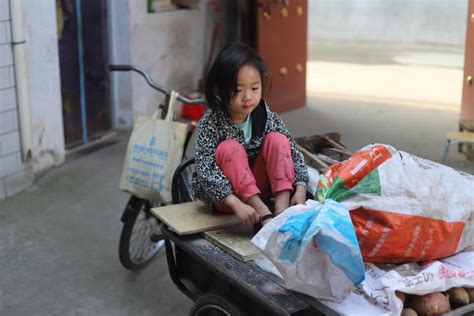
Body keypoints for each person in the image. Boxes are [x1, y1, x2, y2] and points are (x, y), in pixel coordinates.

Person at [192, 42, 308, 226]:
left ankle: (281, 206)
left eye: (254, 88)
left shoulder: (264, 114)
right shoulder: (211, 121)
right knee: (230, 148)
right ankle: (263, 213)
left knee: (278, 139)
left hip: (260, 189)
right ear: (219, 89)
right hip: (228, 198)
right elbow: (205, 170)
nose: (248, 97)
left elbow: (293, 152)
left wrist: (301, 186)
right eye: (238, 90)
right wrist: (236, 204)